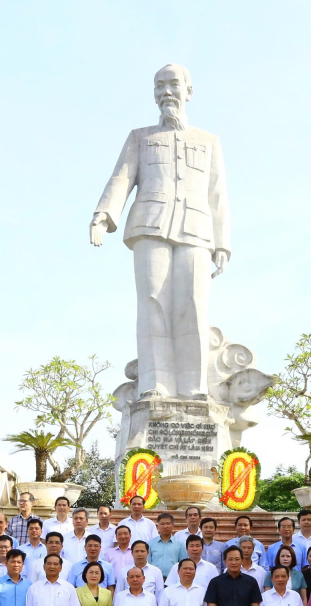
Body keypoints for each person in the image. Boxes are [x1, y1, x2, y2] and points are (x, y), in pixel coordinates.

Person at [90, 64, 231, 401]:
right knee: (153, 302)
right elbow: (121, 178)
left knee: (194, 304)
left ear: (188, 90)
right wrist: (103, 215)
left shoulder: (208, 141)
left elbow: (218, 193)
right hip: (150, 224)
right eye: (159, 86)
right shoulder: (141, 137)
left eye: (173, 84)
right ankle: (155, 384)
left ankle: (194, 387)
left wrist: (223, 241)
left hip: (197, 229)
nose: (166, 91)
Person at [148, 512, 184, 577]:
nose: (165, 526)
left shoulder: (180, 544)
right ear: (158, 526)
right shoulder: (150, 543)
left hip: (173, 578)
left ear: (173, 525)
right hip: (154, 577)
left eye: (168, 523)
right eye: (162, 524)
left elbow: (182, 563)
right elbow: (148, 563)